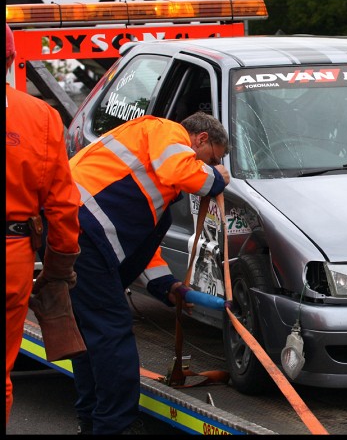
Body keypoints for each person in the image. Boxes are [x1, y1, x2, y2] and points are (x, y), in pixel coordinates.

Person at [67, 111, 231, 435]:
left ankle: (93, 420)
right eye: (212, 158)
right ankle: (113, 427)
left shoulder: (156, 189)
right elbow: (181, 168)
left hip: (76, 235)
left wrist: (167, 286)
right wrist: (218, 178)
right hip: (83, 233)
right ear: (200, 139)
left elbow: (146, 249)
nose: (210, 166)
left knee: (94, 337)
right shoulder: (164, 130)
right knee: (111, 336)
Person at [5, 23, 83, 424]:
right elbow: (63, 207)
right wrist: (58, 270)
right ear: (11, 59)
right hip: (12, 259)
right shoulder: (41, 118)